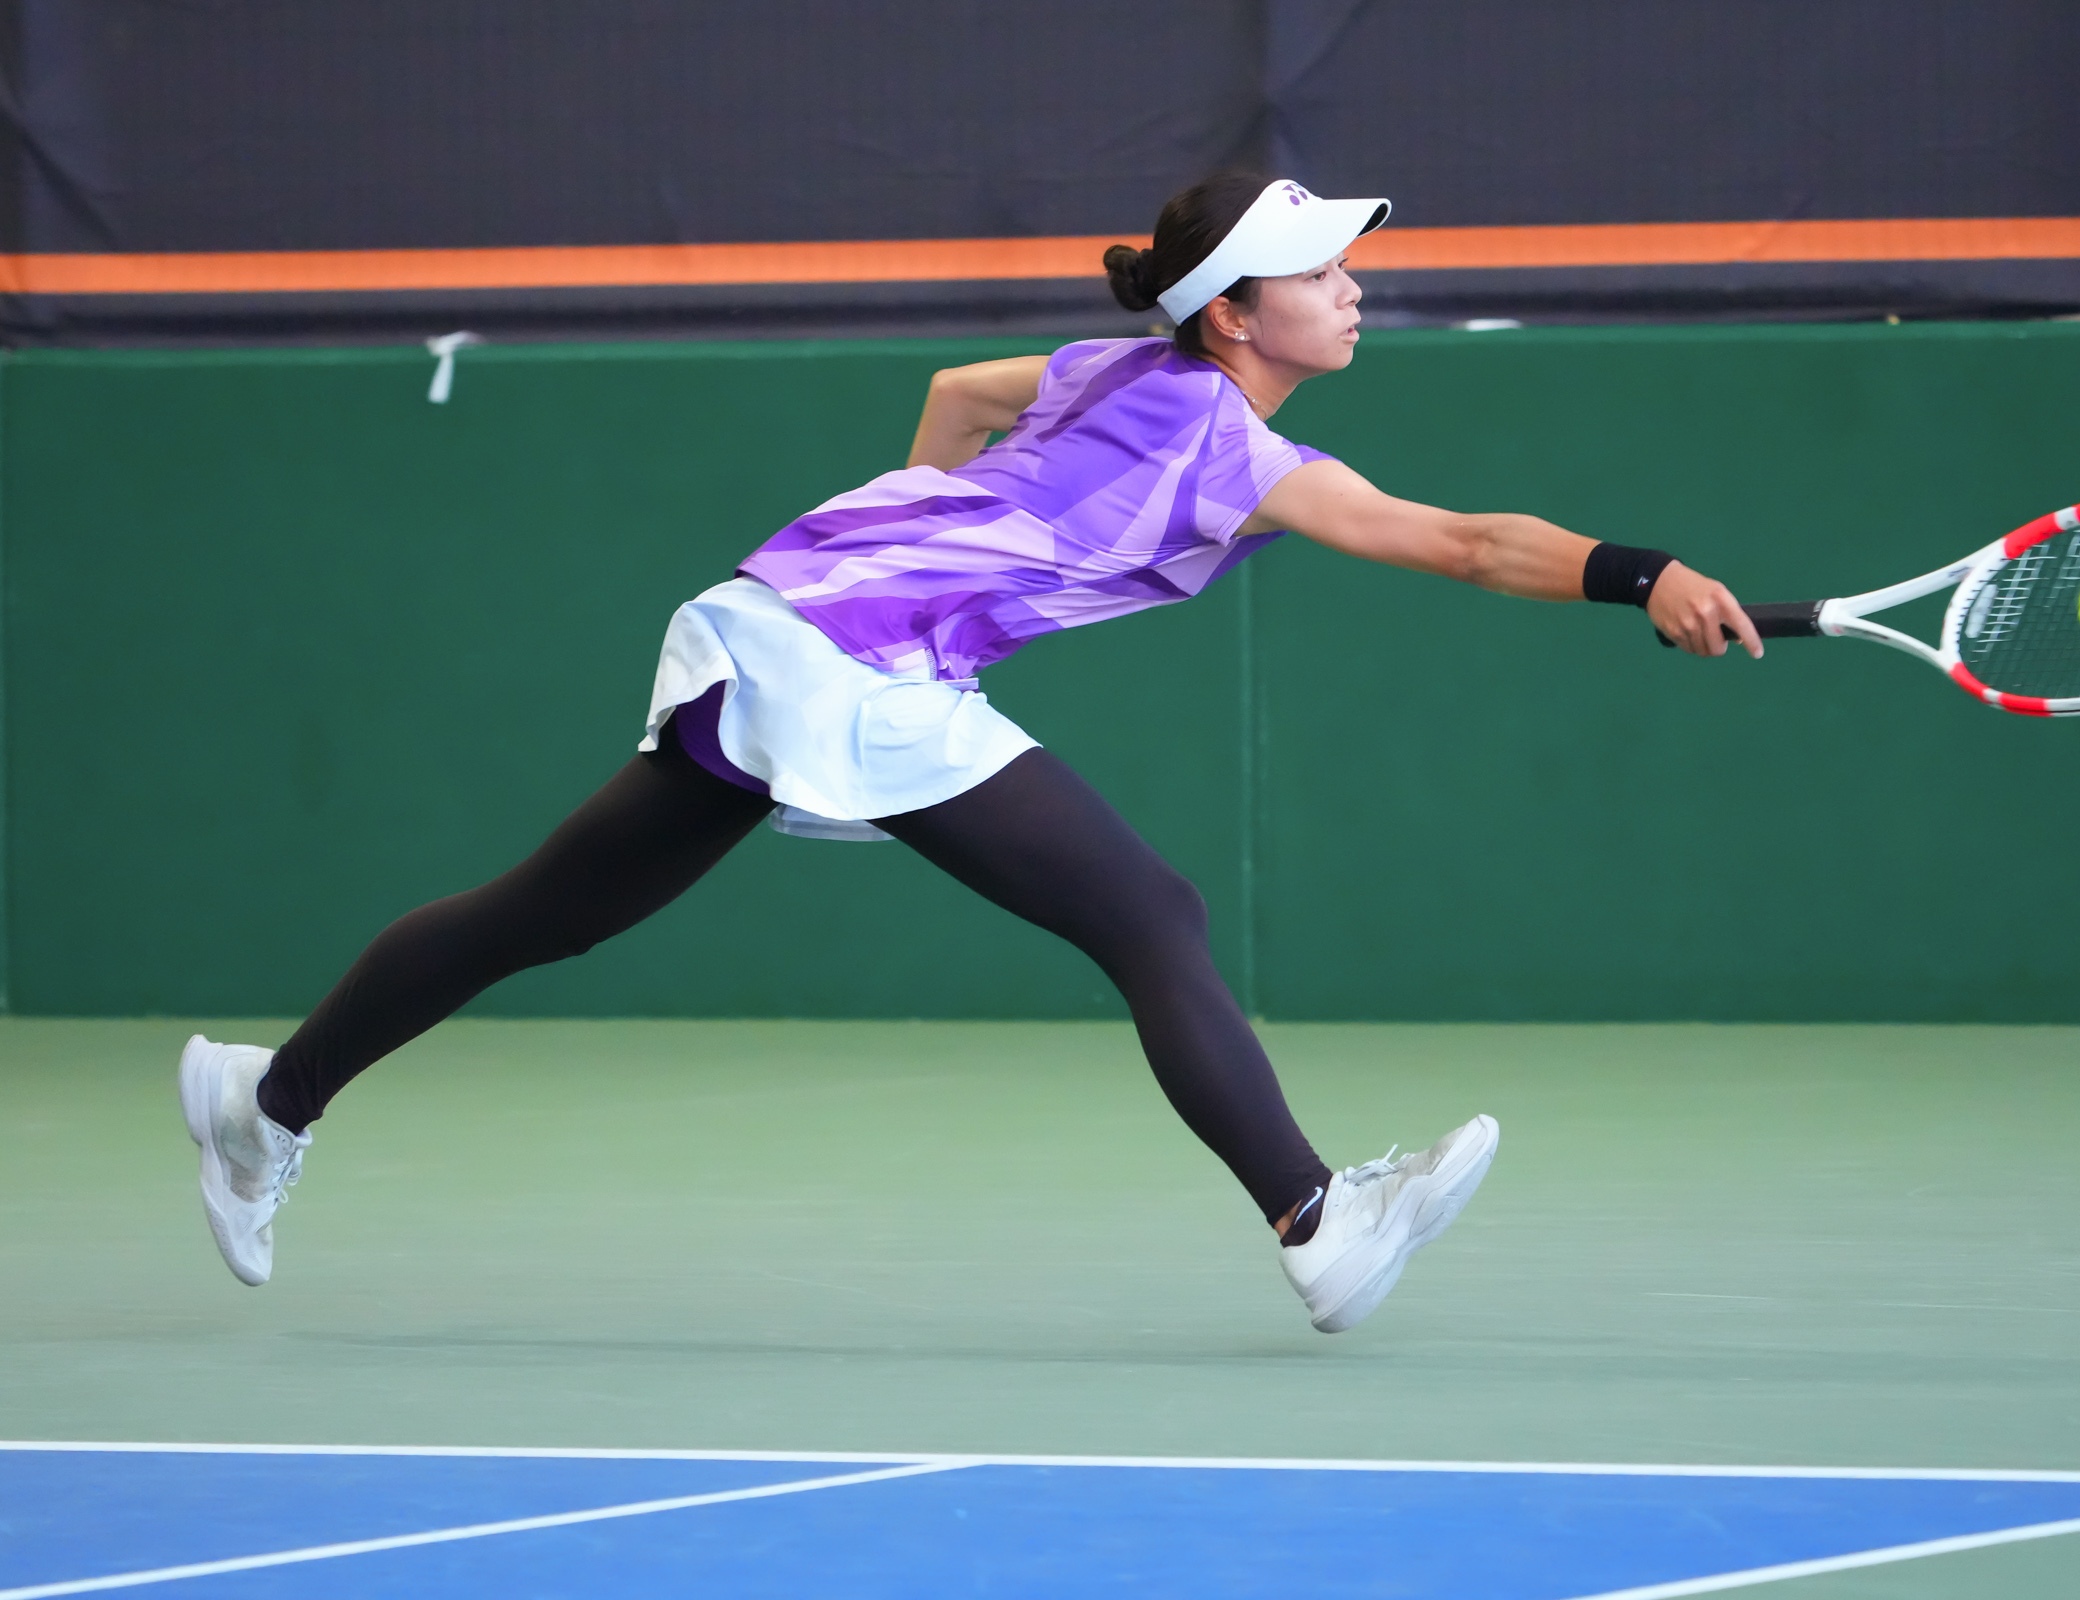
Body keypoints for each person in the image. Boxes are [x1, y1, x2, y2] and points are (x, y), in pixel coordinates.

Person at [178, 172, 1763, 1334]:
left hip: (788, 617)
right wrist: (1644, 575)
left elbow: (955, 394)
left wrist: (924, 550)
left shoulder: (1115, 368)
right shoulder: (1230, 448)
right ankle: (1317, 1223)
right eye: (1321, 267)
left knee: (552, 910)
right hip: (853, 660)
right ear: (1233, 312)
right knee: (1149, 915)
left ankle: (268, 1100)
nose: (1353, 283)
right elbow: (1468, 542)